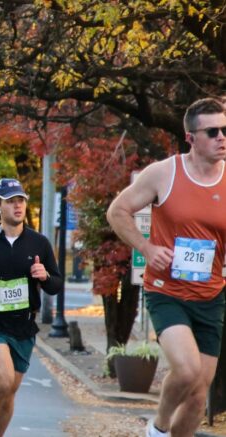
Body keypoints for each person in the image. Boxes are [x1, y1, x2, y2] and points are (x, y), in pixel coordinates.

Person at [107, 97, 226, 437]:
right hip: (167, 292)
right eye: (213, 131)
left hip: (211, 296)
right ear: (191, 137)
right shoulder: (164, 173)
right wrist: (146, 246)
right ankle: (157, 429)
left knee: (199, 392)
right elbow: (118, 211)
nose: (222, 138)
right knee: (187, 372)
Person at [0, 178, 63, 437]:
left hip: (23, 326)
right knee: (3, 379)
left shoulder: (38, 243)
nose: (17, 206)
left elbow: (56, 284)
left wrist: (44, 276)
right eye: (10, 201)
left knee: (9, 392)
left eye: (20, 200)